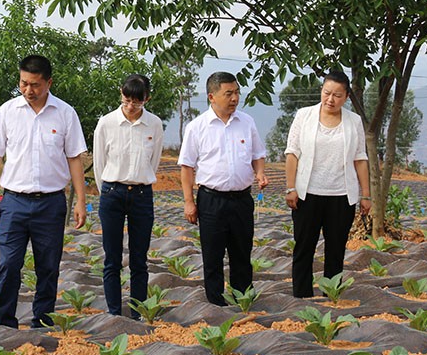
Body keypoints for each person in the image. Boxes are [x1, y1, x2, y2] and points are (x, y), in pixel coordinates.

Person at [0, 55, 88, 329]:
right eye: (23, 83)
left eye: (35, 85)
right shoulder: (7, 111)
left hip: (51, 203)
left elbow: (75, 158)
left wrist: (81, 200)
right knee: (9, 264)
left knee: (48, 266)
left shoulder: (65, 113)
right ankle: (5, 323)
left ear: (49, 83)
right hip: (14, 201)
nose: (28, 90)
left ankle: (42, 321)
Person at [179, 71, 268, 306]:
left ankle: (243, 299)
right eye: (228, 93)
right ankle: (216, 304)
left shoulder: (247, 122)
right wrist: (189, 202)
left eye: (237, 92)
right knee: (213, 255)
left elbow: (258, 155)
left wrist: (260, 173)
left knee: (242, 253)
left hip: (242, 199)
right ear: (212, 96)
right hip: (211, 200)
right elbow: (187, 167)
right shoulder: (197, 127)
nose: (234, 98)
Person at [284, 71, 371, 298]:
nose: (330, 99)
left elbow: (360, 158)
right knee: (304, 246)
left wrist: (366, 194)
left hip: (341, 195)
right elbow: (292, 153)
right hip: (307, 193)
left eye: (337, 95)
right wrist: (290, 188)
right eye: (326, 93)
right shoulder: (304, 116)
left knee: (336, 248)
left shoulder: (354, 121)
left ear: (347, 97)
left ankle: (331, 294)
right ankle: (302, 295)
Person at [92, 74, 163, 318]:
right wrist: (107, 190)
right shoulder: (106, 123)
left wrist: (140, 179)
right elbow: (99, 163)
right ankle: (114, 313)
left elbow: (154, 161)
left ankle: (137, 313)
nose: (130, 106)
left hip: (142, 194)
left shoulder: (154, 124)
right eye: (126, 100)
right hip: (112, 192)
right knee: (112, 258)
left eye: (136, 101)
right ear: (121, 94)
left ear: (146, 99)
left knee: (139, 259)